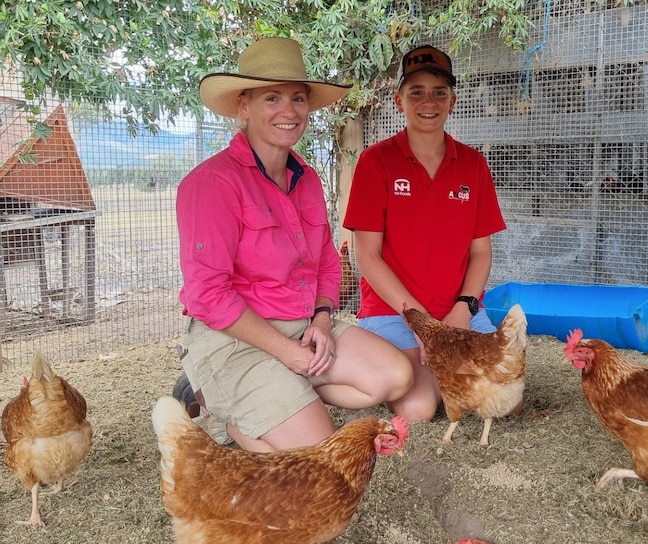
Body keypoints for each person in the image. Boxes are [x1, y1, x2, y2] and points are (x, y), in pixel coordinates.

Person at [174, 37, 412, 452]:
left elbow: (325, 261)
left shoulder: (307, 179)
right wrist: (285, 351)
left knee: (394, 376)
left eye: (298, 98)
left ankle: (284, 394)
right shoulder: (212, 184)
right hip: (236, 339)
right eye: (272, 97)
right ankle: (223, 416)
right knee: (319, 455)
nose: (289, 110)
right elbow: (208, 296)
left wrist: (321, 321)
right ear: (243, 107)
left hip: (303, 326)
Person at [343, 45, 509, 422]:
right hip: (393, 312)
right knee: (418, 409)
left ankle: (441, 372)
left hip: (457, 311)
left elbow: (481, 252)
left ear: (453, 101)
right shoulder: (376, 161)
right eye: (416, 91)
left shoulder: (473, 164)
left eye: (439, 92)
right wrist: (421, 323)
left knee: (503, 404)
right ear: (399, 101)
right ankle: (426, 374)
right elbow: (366, 257)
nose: (428, 101)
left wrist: (464, 309)